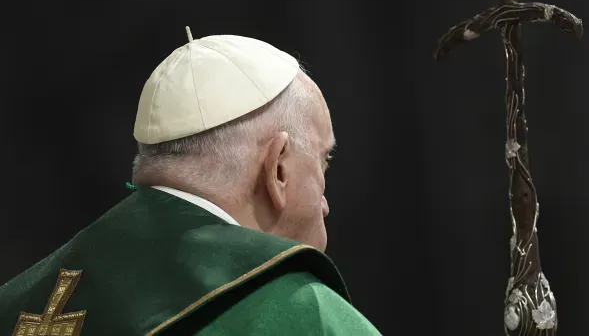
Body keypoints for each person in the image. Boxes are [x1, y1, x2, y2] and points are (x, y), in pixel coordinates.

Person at [0, 30, 382, 335]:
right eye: (322, 160)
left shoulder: (15, 304)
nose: (325, 204)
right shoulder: (301, 313)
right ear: (278, 170)